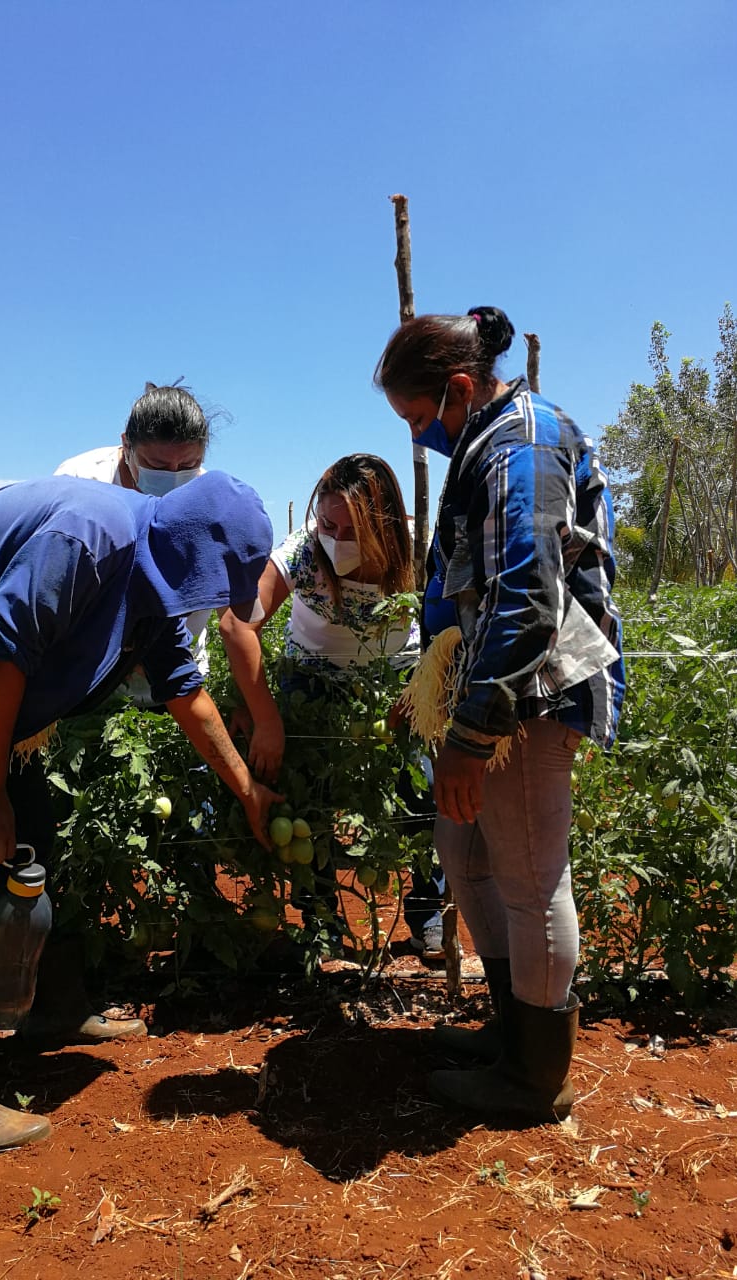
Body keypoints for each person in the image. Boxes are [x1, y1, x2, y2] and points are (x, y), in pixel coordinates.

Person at [0, 471, 278, 1151]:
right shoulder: (89, 537)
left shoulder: (156, 564)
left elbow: (183, 689)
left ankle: (52, 1009)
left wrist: (247, 789)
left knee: (36, 839)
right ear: (192, 554)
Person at [375, 306, 625, 1123]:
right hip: (494, 694)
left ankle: (534, 1077)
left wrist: (474, 737)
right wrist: (430, 692)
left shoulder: (521, 444)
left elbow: (525, 598)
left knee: (526, 873)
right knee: (467, 853)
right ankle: (511, 1029)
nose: (419, 438)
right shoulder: (493, 442)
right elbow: (467, 597)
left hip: (532, 696)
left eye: (419, 418)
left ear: (456, 388)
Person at [219, 453, 447, 956]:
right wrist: (266, 717)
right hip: (313, 678)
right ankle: (322, 920)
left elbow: (451, 632)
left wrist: (419, 690)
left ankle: (430, 916)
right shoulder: (303, 553)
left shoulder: (418, 548)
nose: (336, 539)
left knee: (424, 797)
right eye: (328, 524)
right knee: (311, 801)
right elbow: (238, 626)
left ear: (384, 527)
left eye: (352, 530)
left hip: (398, 682)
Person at [55, 382, 213, 705]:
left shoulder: (207, 499)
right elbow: (57, 590)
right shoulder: (80, 483)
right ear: (126, 445)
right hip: (94, 681)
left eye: (186, 467)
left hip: (178, 679)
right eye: (156, 467)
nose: (174, 477)